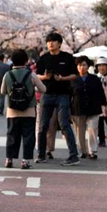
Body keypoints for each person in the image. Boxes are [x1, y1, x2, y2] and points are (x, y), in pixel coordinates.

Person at [36, 32, 80, 166]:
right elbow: (37, 75)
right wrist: (45, 77)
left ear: (59, 43)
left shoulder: (67, 57)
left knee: (64, 124)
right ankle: (41, 154)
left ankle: (73, 156)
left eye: (53, 41)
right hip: (47, 94)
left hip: (63, 95)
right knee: (43, 125)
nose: (50, 43)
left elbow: (74, 75)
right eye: (48, 41)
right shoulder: (43, 58)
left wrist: (62, 78)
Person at [0, 49, 46, 169]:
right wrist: (32, 89)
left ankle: (9, 159)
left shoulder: (8, 75)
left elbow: (2, 91)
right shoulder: (31, 74)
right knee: (28, 136)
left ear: (12, 61)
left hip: (12, 111)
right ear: (26, 61)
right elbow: (43, 89)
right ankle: (25, 160)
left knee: (12, 135)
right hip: (29, 110)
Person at [71, 56, 107, 160]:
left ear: (88, 66)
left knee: (92, 129)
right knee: (79, 131)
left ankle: (93, 151)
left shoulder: (94, 79)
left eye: (84, 65)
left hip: (93, 108)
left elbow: (101, 92)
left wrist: (104, 105)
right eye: (79, 65)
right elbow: (69, 95)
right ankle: (82, 151)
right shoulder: (73, 79)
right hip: (77, 108)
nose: (81, 67)